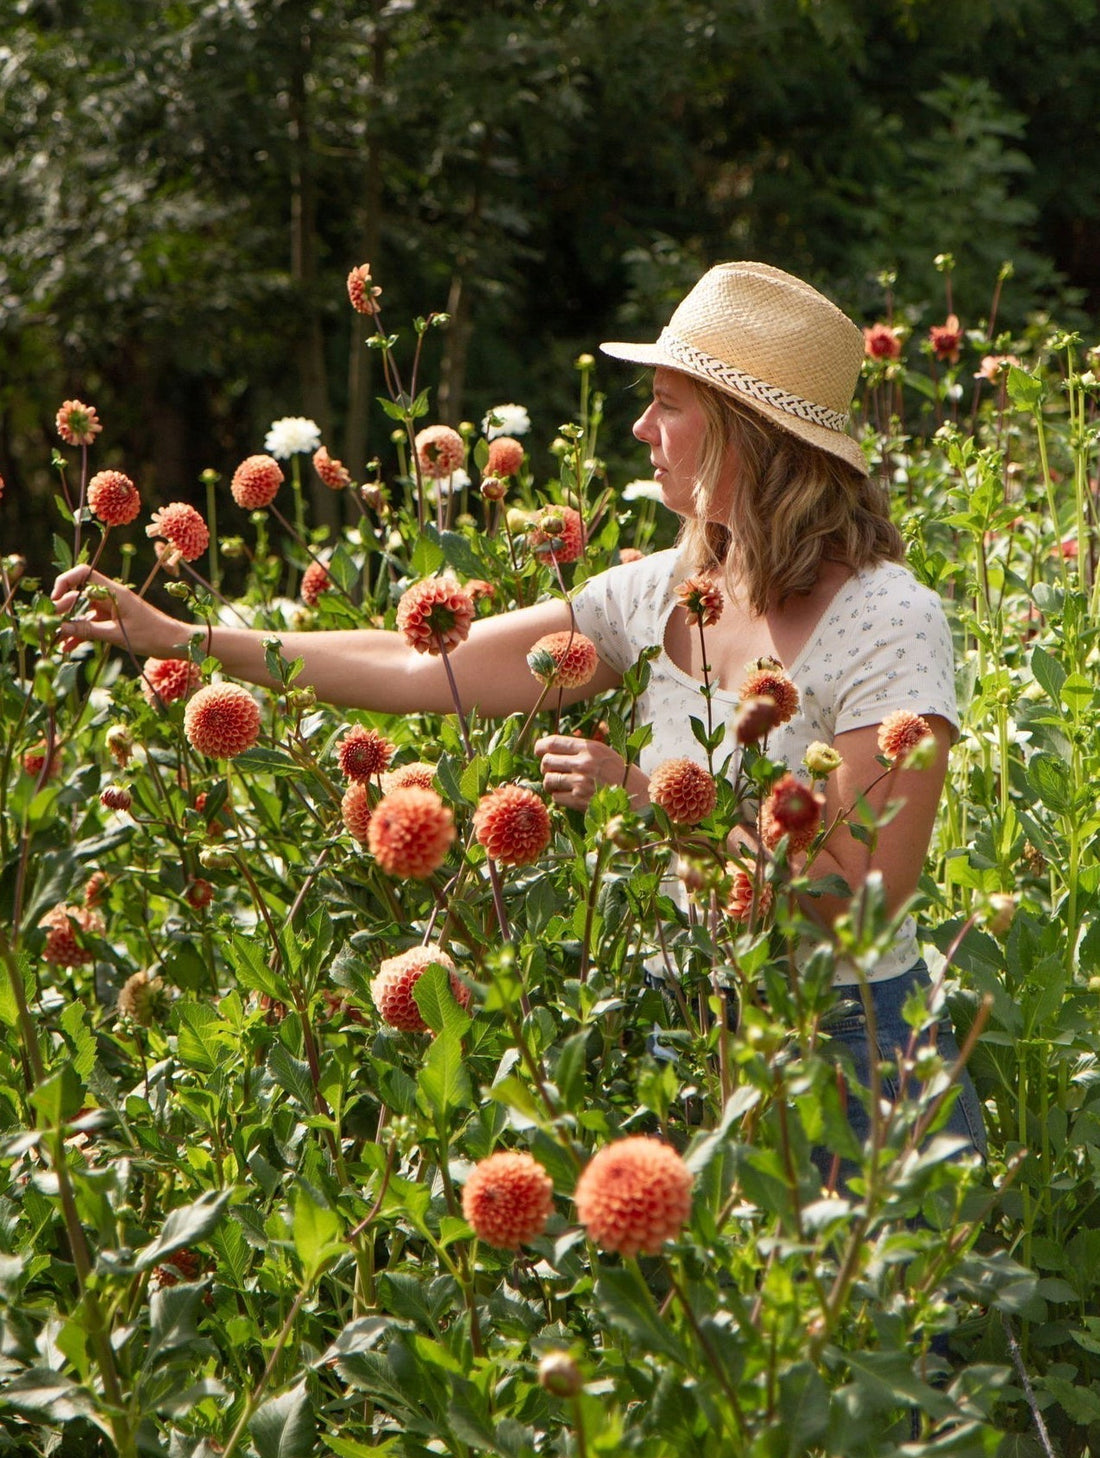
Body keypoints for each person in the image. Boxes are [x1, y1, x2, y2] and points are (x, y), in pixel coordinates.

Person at [51, 260, 986, 1165]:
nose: (638, 428)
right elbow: (428, 661)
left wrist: (652, 799)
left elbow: (862, 896)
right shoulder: (669, 588)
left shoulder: (887, 616)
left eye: (667, 404)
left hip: (845, 1052)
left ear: (746, 434)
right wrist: (181, 636)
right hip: (686, 1026)